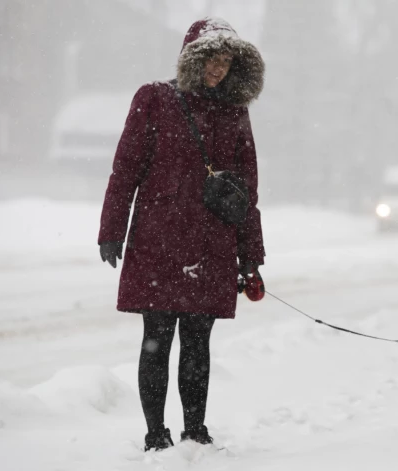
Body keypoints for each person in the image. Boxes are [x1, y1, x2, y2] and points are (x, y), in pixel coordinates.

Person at [97, 18, 266, 452]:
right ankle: (156, 433)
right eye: (212, 58)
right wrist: (111, 230)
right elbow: (126, 168)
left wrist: (251, 257)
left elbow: (246, 190)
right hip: (158, 241)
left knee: (198, 342)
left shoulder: (235, 112)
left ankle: (196, 429)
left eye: (227, 61)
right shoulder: (154, 99)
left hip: (212, 243)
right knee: (156, 339)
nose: (219, 69)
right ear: (194, 56)